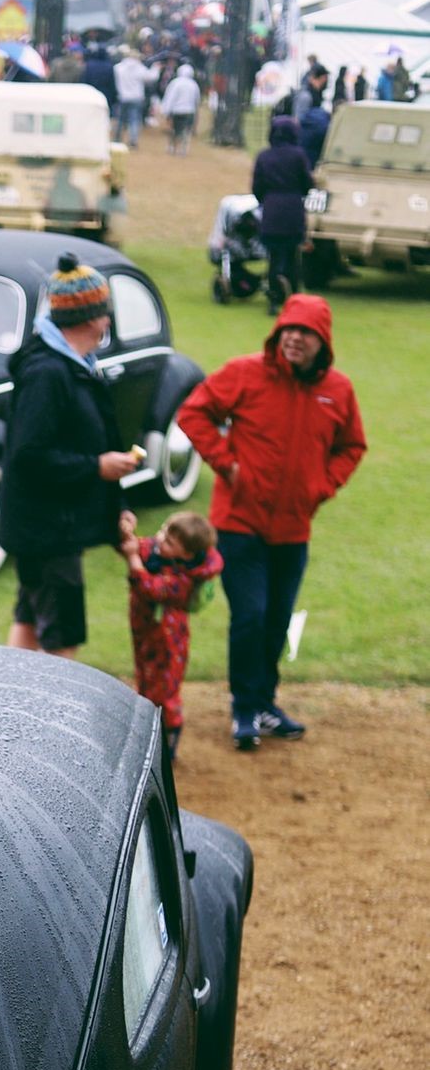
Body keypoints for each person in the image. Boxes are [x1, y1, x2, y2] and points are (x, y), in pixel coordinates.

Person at [177, 296, 366, 752]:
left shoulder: (337, 391)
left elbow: (352, 446)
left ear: (323, 342)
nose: (295, 338)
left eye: (306, 333)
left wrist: (321, 486)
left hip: (293, 529)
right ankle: (244, 708)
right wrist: (227, 465)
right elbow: (193, 413)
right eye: (289, 330)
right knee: (251, 615)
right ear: (277, 335)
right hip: (239, 523)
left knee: (277, 618)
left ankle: (265, 701)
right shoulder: (244, 373)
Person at [1, 254, 140, 658]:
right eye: (105, 311)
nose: (109, 320)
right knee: (62, 638)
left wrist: (118, 505)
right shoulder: (48, 373)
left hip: (49, 529)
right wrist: (98, 467)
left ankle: (6, 718)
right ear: (90, 317)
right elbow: (30, 455)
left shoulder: (74, 364)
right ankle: (42, 720)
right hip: (47, 533)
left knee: (28, 622)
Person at [118, 509, 223, 759]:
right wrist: (126, 532)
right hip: (145, 635)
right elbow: (139, 546)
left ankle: (168, 740)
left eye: (168, 540)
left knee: (164, 690)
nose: (159, 538)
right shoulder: (161, 554)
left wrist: (133, 560)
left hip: (167, 642)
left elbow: (152, 589)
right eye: (163, 531)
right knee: (144, 681)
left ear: (186, 554)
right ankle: (149, 736)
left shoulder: (184, 579)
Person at [251, 117, 313, 315]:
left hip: (272, 208)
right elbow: (307, 183)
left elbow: (257, 186)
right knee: (292, 256)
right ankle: (294, 297)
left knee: (274, 258)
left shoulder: (264, 156)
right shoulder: (298, 155)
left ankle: (273, 299)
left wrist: (266, 199)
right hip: (293, 208)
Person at [160, 59, 201, 155]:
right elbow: (197, 100)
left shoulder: (175, 83)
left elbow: (170, 98)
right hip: (189, 111)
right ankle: (183, 149)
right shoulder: (194, 84)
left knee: (174, 130)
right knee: (185, 131)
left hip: (176, 111)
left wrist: (165, 111)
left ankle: (172, 147)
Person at [113, 46, 151, 147]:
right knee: (134, 120)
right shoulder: (140, 68)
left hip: (122, 96)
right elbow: (149, 78)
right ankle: (133, 140)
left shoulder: (118, 67)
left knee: (120, 119)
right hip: (136, 97)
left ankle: (117, 138)